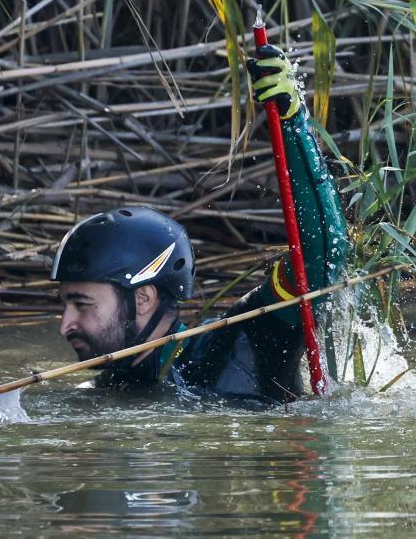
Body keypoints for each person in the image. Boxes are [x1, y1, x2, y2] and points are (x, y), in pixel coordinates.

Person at [50, 45, 349, 402]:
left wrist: (292, 122)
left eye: (82, 305)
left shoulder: (243, 337)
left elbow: (322, 256)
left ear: (143, 298)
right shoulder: (105, 387)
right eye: (66, 305)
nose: (65, 324)